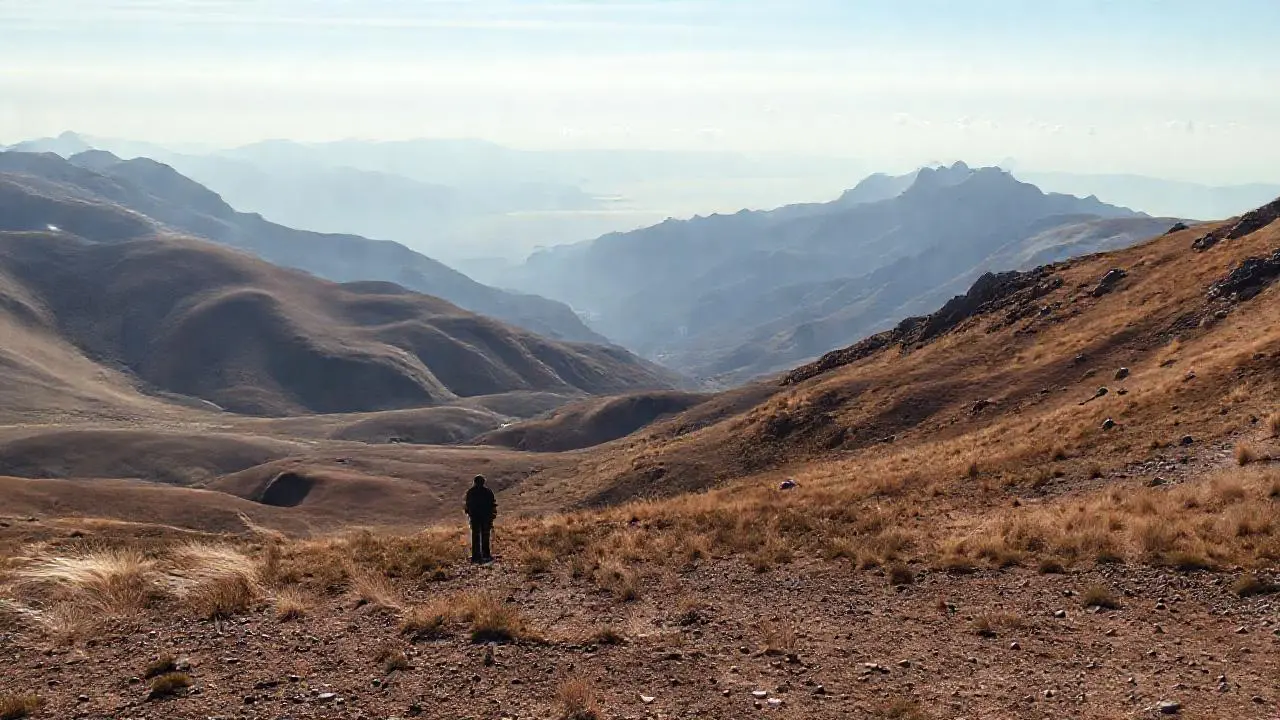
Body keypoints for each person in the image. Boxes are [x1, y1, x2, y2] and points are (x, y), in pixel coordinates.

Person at [464, 474, 497, 563]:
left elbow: (467, 505)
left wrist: (469, 513)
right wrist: (493, 515)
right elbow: (493, 504)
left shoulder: (471, 492)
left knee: (475, 536)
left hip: (475, 518)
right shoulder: (488, 492)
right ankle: (485, 554)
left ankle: (476, 556)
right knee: (485, 536)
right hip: (486, 517)